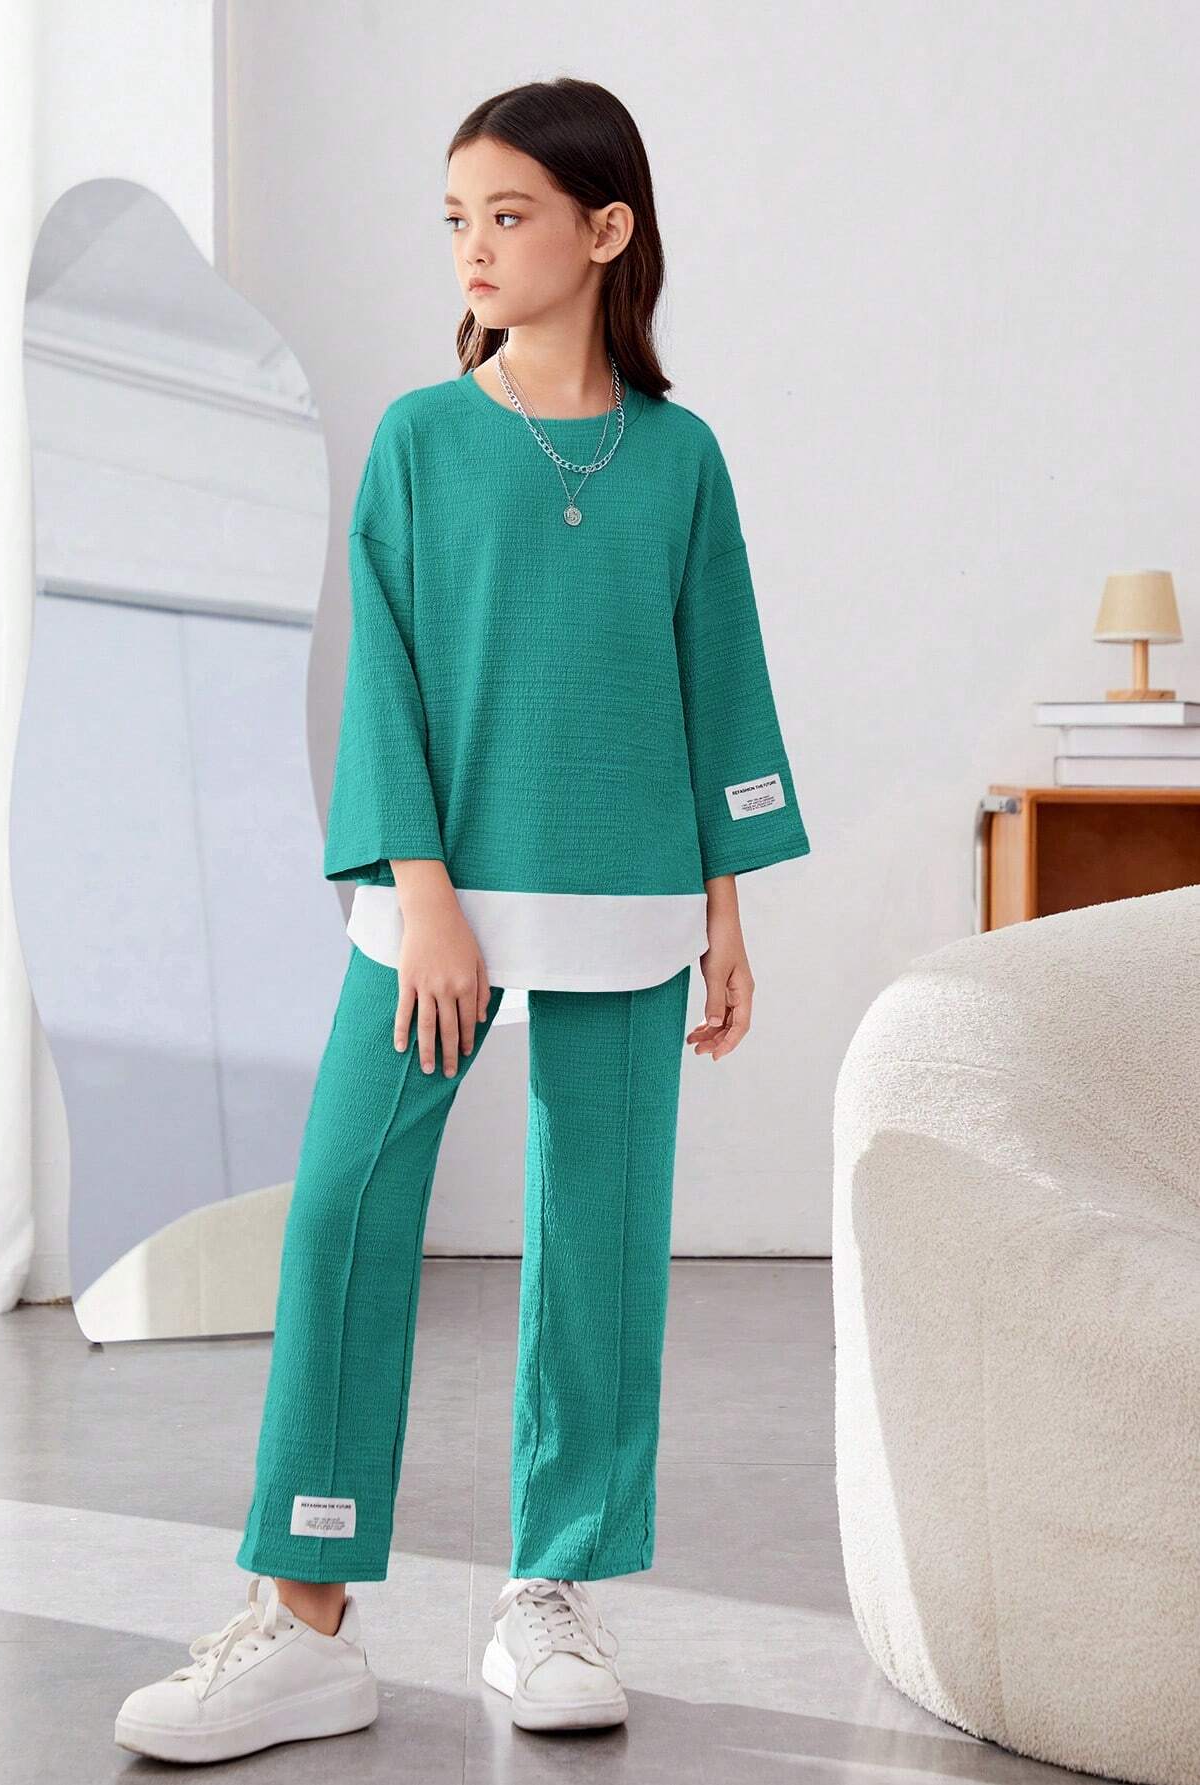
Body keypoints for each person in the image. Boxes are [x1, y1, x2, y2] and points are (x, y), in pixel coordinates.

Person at [115, 74, 811, 1765]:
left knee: (599, 1239)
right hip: (441, 898)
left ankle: (551, 1590)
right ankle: (304, 1617)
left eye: (510, 214)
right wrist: (419, 892)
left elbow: (717, 683)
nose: (476, 248)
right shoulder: (423, 441)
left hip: (632, 894)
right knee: (344, 1210)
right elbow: (389, 681)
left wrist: (726, 913)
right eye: (458, 220)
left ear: (606, 230)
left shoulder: (681, 459)